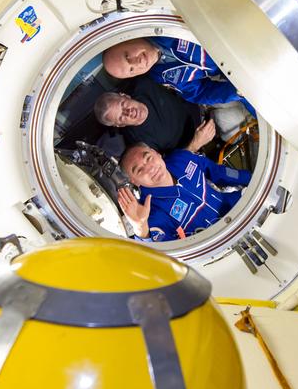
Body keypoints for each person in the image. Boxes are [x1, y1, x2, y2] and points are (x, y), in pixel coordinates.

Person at [102, 37, 254, 138]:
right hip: (238, 74)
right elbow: (198, 91)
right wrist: (236, 91)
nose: (137, 63)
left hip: (241, 41)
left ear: (128, 40)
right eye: (131, 70)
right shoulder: (159, 75)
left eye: (127, 56)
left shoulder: (163, 24)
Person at [116, 142, 251, 242]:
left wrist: (253, 178)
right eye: (139, 170)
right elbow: (161, 255)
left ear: (156, 153)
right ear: (135, 181)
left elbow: (219, 172)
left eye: (149, 158)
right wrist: (141, 229)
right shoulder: (149, 211)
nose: (150, 168)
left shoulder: (182, 159)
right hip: (216, 243)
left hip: (235, 206)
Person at [94, 79, 211, 154]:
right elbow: (171, 167)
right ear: (119, 125)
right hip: (202, 143)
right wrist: (196, 144)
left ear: (125, 96)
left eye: (123, 105)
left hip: (202, 101)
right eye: (121, 117)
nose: (128, 112)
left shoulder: (144, 83)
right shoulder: (139, 145)